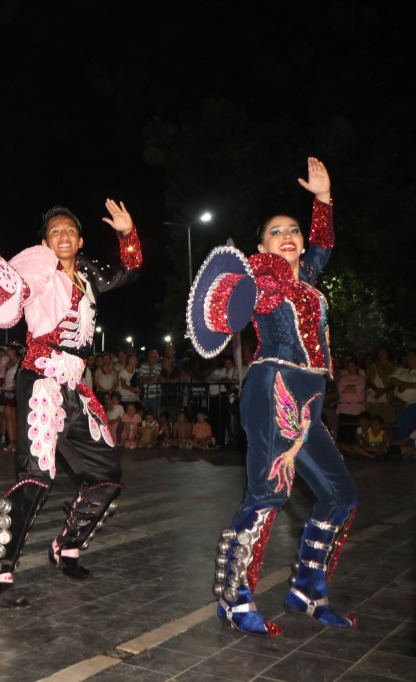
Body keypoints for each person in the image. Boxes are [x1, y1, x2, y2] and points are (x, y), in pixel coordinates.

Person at [192, 158, 357, 636]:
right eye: (275, 232)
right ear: (260, 247)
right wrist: (245, 280)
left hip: (311, 395)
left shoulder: (306, 277)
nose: (288, 235)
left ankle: (307, 588)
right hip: (276, 386)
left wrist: (323, 201)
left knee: (340, 493)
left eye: (294, 231)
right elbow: (243, 302)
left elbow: (323, 248)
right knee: (269, 492)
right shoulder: (266, 276)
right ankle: (235, 597)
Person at [0, 198, 143, 607]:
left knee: (107, 475)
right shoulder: (40, 265)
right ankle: (0, 569)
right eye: (55, 231)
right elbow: (17, 288)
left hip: (77, 385)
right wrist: (5, 284)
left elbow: (127, 271)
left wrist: (127, 235)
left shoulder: (88, 276)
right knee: (37, 474)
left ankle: (67, 546)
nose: (63, 236)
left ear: (80, 241)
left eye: (70, 231)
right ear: (44, 241)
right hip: (41, 378)